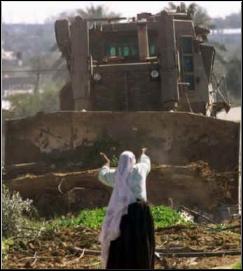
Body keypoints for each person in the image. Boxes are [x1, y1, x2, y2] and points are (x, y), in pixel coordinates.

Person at [98, 148, 155, 269]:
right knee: (141, 241)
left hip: (123, 213)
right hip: (140, 211)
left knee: (123, 242)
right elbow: (146, 164)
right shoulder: (140, 169)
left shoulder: (117, 174)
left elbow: (102, 176)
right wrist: (143, 154)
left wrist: (106, 164)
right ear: (133, 161)